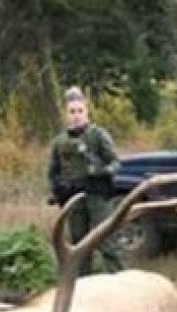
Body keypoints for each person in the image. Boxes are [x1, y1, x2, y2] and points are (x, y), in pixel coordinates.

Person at [47, 86, 123, 275]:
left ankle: (119, 279)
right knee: (79, 244)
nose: (76, 116)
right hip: (75, 197)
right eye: (72, 111)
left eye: (80, 111)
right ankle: (83, 285)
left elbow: (115, 162)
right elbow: (53, 171)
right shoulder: (59, 142)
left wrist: (101, 171)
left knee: (106, 240)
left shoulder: (98, 135)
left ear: (86, 111)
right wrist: (55, 190)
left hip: (97, 194)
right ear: (66, 114)